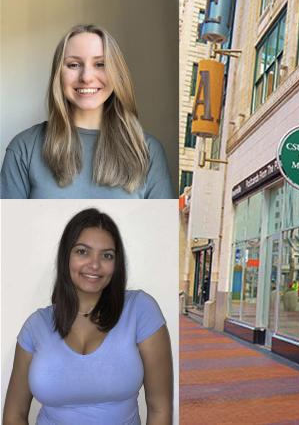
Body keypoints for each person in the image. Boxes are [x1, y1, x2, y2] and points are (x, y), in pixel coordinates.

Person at [2, 208, 173, 425]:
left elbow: (160, 409)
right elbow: (13, 415)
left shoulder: (140, 311)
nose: (94, 264)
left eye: (107, 255)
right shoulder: (36, 326)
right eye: (83, 251)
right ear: (66, 257)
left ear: (116, 264)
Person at [0, 24, 172, 199]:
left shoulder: (148, 151)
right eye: (74, 65)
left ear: (117, 73)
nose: (86, 77)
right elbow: (9, 226)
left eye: (100, 64)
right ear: (58, 74)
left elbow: (159, 225)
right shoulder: (24, 148)